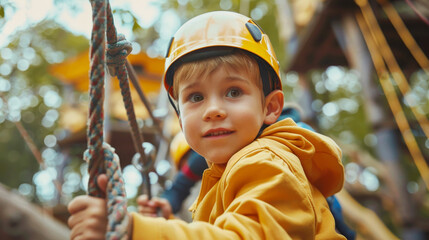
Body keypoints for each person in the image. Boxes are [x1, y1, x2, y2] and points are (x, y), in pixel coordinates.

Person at [68, 11, 346, 239]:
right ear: (180, 119)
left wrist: (136, 231)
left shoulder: (267, 162)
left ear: (271, 107)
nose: (213, 110)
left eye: (233, 92)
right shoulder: (220, 172)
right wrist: (168, 225)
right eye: (196, 97)